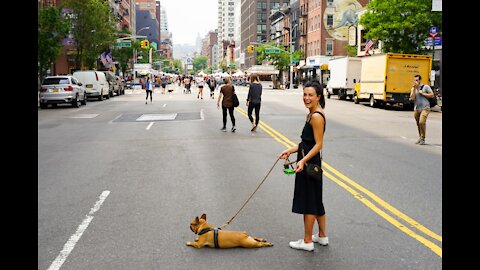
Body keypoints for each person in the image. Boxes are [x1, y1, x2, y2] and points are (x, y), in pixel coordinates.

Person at [279, 79, 327, 252]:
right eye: (305, 94)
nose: (306, 98)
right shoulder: (311, 114)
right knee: (316, 200)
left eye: (310, 95)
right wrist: (291, 151)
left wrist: (303, 160)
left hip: (308, 164)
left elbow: (318, 144)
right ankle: (322, 236)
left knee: (309, 202)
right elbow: (307, 142)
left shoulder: (316, 117)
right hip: (307, 160)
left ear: (318, 97)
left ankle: (307, 241)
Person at [409, 74, 434, 145]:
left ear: (420, 80)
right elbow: (412, 98)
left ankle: (423, 138)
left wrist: (423, 93)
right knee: (418, 124)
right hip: (417, 108)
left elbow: (432, 95)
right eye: (414, 80)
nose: (415, 82)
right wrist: (414, 90)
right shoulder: (413, 88)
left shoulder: (425, 87)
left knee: (421, 122)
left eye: (417, 80)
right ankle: (420, 137)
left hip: (425, 108)